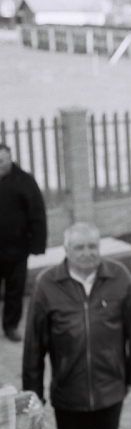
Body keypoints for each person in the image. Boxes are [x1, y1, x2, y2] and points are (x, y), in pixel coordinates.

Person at [22, 223, 131, 429]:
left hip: (110, 390)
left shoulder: (119, 276)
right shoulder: (46, 284)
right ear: (66, 250)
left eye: (93, 246)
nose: (87, 253)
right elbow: (33, 345)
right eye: (79, 248)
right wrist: (32, 395)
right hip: (68, 394)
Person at [0, 144, 47, 343]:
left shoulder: (25, 181)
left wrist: (37, 245)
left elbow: (37, 213)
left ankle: (11, 325)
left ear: (10, 159)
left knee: (15, 289)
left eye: (2, 160)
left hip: (17, 248)